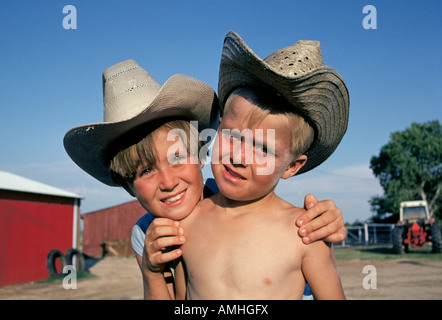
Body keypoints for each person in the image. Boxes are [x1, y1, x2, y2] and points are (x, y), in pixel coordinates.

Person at [63, 57, 346, 299]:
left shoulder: (304, 231)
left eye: (177, 158)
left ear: (199, 151)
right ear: (127, 185)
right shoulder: (169, 232)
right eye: (145, 170)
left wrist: (328, 222)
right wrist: (152, 272)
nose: (169, 181)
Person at [147, 31, 349, 299]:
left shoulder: (304, 232)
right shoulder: (186, 224)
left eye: (263, 149)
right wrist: (151, 271)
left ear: (292, 167)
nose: (239, 157)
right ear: (219, 127)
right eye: (232, 136)